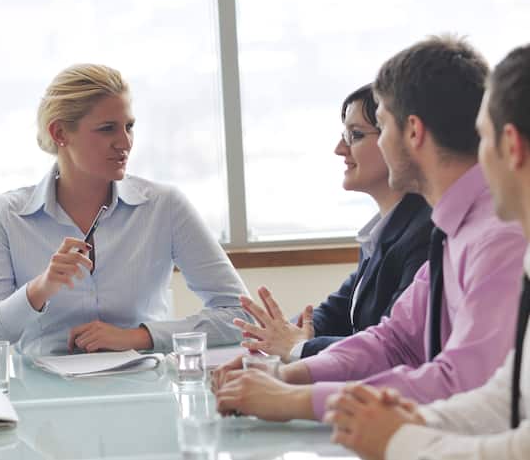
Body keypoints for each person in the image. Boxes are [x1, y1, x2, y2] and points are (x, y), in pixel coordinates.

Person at [212, 35, 527, 423]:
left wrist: (295, 399)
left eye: (380, 126)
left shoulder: (498, 236)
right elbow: (394, 340)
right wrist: (285, 374)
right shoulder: (453, 228)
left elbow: (463, 383)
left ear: (413, 132)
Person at [324, 44, 530, 460]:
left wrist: (397, 438)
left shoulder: (497, 240)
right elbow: (502, 396)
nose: (477, 160)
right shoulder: (456, 234)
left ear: (510, 146)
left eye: (483, 138)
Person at [0, 63, 250, 356]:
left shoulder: (164, 207)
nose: (125, 143)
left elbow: (242, 317)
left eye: (129, 126)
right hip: (43, 394)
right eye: (107, 129)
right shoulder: (7, 215)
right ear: (60, 132)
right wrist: (40, 289)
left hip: (147, 388)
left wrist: (138, 337)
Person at [235, 84, 432, 362]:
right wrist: (281, 335)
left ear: (406, 138)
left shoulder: (425, 232)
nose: (340, 149)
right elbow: (336, 311)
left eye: (356, 135)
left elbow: (392, 347)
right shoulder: (384, 231)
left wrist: (297, 346)